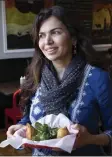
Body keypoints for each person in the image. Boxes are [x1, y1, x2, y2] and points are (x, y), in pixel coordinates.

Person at [7, 6, 112, 156]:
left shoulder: (97, 77)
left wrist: (90, 139)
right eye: (41, 35)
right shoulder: (36, 75)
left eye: (55, 32)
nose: (47, 41)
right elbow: (28, 120)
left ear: (73, 38)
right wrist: (20, 128)